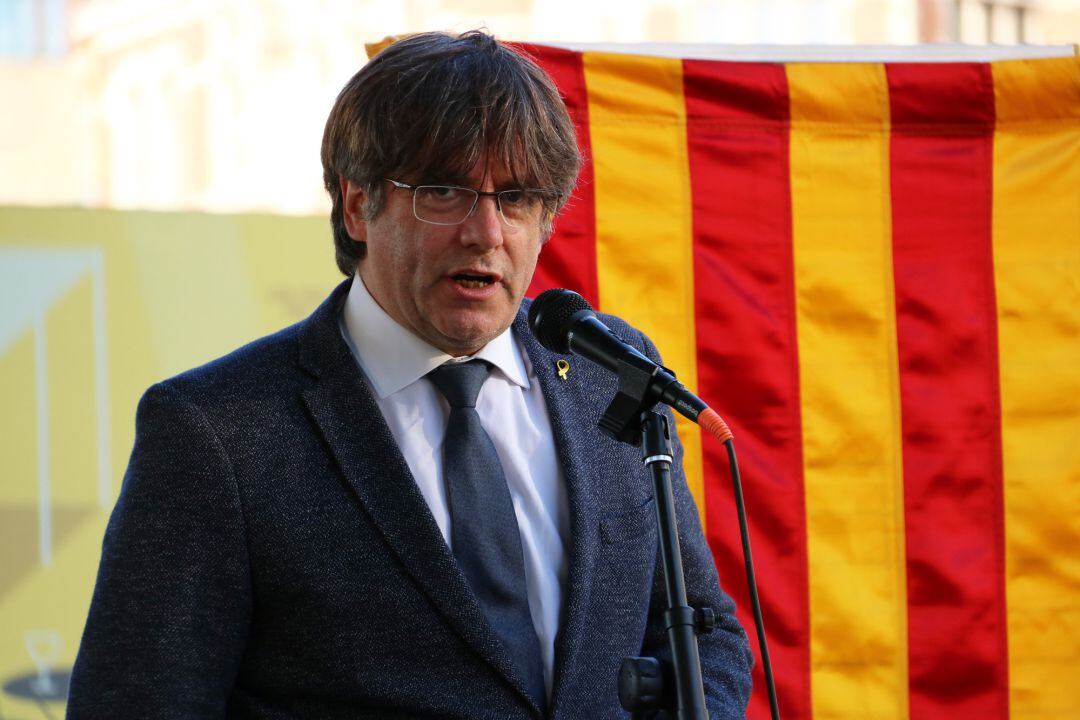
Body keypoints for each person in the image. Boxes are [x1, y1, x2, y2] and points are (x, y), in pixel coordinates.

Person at [67, 30, 753, 719]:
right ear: (359, 204)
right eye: (446, 192)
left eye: (515, 197)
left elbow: (704, 635)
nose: (487, 232)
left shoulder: (609, 373)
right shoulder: (219, 431)